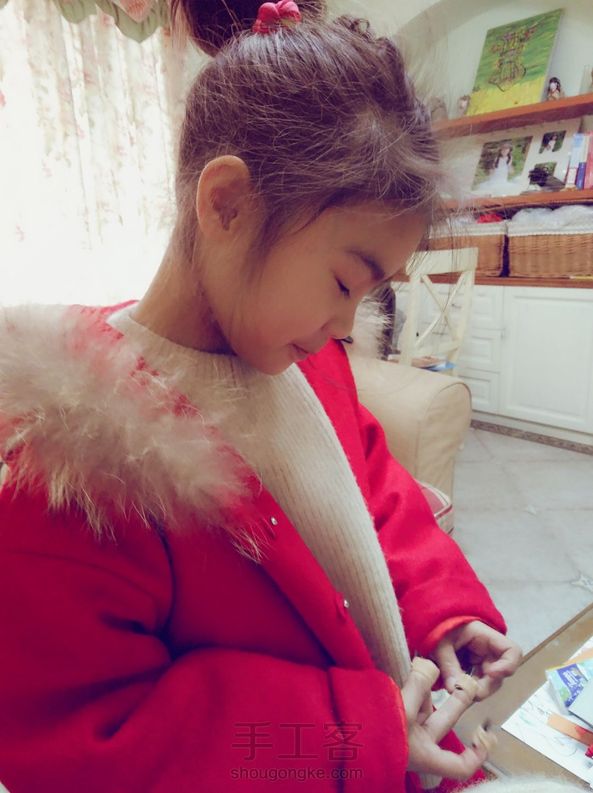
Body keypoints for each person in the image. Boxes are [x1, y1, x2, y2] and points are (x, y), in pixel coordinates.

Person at [0, 2, 522, 791]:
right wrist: (350, 737)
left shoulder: (308, 360)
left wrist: (442, 610)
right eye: (343, 282)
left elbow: (377, 497)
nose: (344, 323)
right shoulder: (71, 462)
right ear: (227, 205)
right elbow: (93, 743)